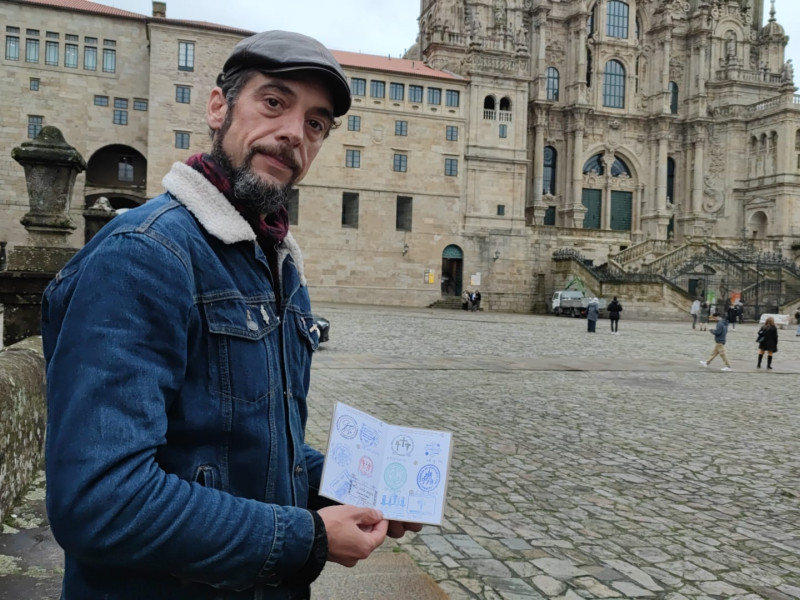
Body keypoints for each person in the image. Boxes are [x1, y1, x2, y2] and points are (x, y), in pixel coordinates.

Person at [41, 30, 420, 600]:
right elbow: (101, 500)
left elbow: (247, 442)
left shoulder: (273, 263)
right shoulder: (144, 255)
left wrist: (351, 486)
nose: (294, 132)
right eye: (274, 102)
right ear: (218, 107)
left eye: (316, 123)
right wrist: (309, 537)